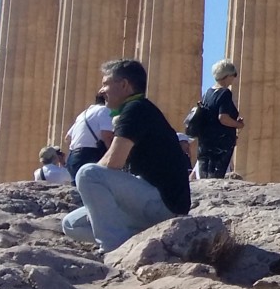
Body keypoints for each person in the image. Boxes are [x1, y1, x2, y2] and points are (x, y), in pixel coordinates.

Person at [62, 58, 192, 253]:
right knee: (71, 224)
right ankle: (136, 242)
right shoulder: (134, 110)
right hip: (148, 200)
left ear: (124, 85)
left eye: (106, 83)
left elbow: (113, 162)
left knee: (88, 173)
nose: (101, 90)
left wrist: (90, 185)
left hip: (164, 203)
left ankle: (113, 247)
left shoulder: (136, 109)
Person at [190, 60, 245, 179]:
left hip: (205, 142)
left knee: (204, 176)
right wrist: (238, 124)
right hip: (220, 144)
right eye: (233, 75)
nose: (234, 79)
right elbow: (223, 118)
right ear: (227, 75)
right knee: (216, 177)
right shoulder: (225, 93)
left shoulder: (207, 93)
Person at [64, 93, 115, 178]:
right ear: (107, 99)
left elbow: (67, 138)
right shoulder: (104, 110)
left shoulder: (83, 114)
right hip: (89, 156)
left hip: (73, 157)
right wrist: (112, 156)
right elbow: (106, 135)